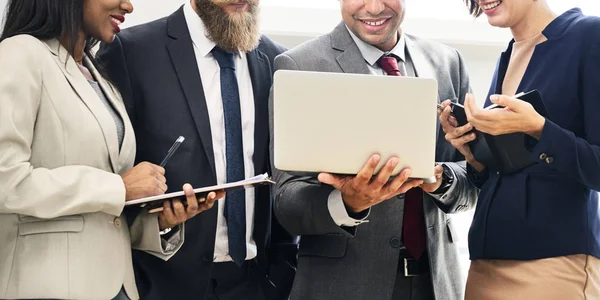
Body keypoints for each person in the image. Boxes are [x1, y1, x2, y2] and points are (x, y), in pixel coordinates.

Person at [0, 0, 224, 299]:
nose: (128, 6)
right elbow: (6, 180)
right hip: (46, 286)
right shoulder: (20, 53)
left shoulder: (97, 74)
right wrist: (118, 186)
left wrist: (159, 222)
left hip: (117, 287)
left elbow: (101, 215)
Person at [270, 0, 479, 299]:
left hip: (435, 283)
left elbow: (475, 177)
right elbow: (285, 201)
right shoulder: (299, 65)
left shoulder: (448, 62)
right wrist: (348, 202)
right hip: (343, 285)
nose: (374, 7)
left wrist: (438, 178)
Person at [97, 0, 297, 299]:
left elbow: (285, 172)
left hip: (257, 281)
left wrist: (281, 269)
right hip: (162, 281)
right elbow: (106, 172)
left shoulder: (277, 58)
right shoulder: (130, 51)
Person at [438, 0, 600, 298]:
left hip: (552, 263)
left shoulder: (589, 36)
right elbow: (508, 171)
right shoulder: (509, 53)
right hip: (486, 260)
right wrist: (473, 155)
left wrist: (539, 128)